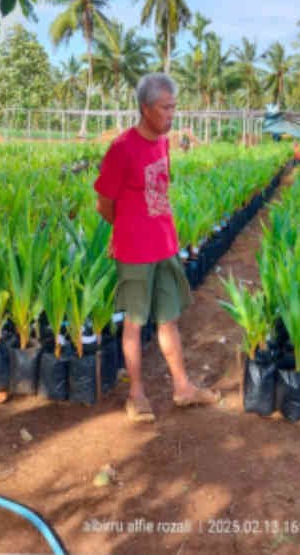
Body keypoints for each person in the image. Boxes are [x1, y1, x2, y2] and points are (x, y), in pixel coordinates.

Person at [94, 73, 220, 423]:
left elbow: (160, 190)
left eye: (174, 107)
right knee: (134, 323)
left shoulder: (164, 143)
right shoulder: (121, 149)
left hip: (165, 245)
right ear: (146, 108)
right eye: (166, 108)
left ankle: (183, 387)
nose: (172, 114)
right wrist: (125, 231)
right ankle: (136, 395)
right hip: (134, 251)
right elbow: (103, 203)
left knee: (168, 319)